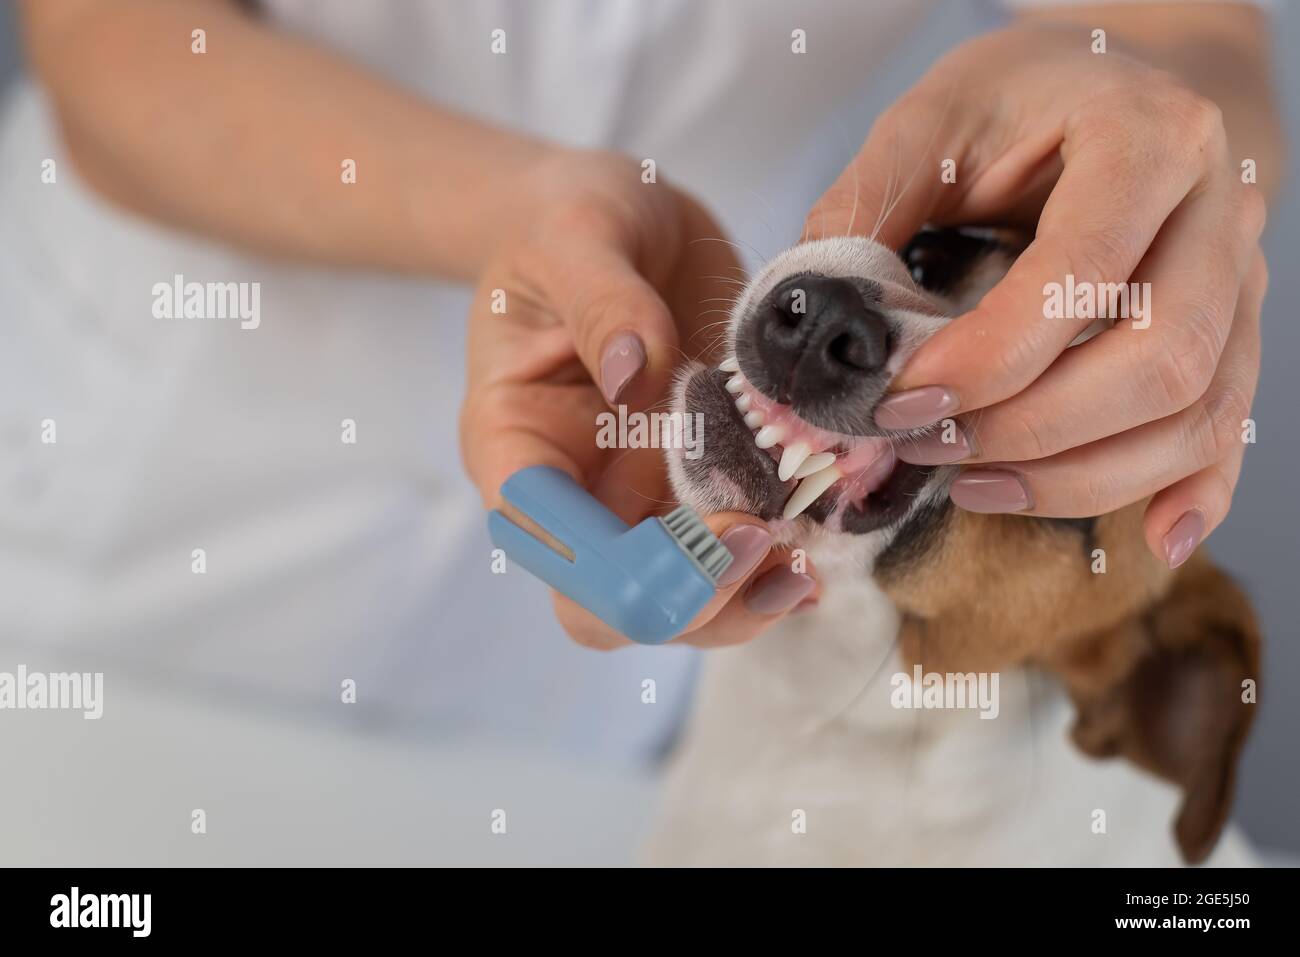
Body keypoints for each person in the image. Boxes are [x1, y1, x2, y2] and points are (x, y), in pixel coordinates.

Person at [4, 0, 1281, 759]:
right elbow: (105, 32)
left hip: (598, 654)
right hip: (122, 531)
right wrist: (523, 212)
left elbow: (1190, 30)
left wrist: (1164, 121)